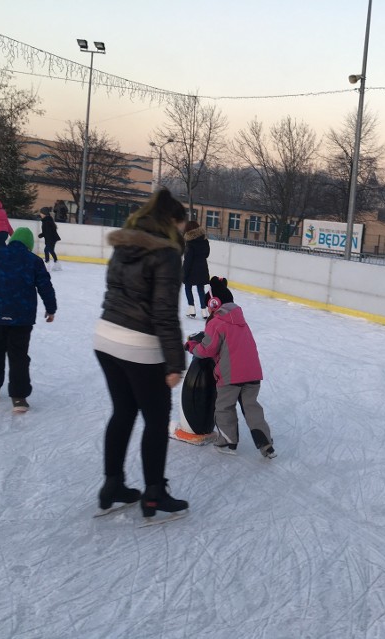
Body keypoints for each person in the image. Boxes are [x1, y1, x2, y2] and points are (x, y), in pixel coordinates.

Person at [93, 188, 189, 520]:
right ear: (170, 222)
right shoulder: (166, 254)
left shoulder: (124, 246)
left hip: (105, 338)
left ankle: (113, 484)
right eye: (181, 226)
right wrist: (176, 361)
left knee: (123, 411)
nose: (182, 233)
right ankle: (154, 493)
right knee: (156, 418)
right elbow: (164, 312)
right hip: (138, 346)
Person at [0, 227, 57, 413]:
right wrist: (51, 309)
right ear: (29, 245)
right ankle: (19, 398)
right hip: (22, 318)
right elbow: (46, 286)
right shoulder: (34, 261)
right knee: (19, 355)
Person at [185, 276, 276, 459]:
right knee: (252, 408)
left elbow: (207, 349)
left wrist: (192, 347)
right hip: (252, 373)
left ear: (214, 303)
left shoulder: (216, 322)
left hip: (230, 375)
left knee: (224, 407)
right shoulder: (241, 321)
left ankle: (227, 442)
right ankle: (266, 445)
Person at [182, 220, 211, 318]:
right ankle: (204, 311)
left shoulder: (190, 243)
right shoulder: (205, 240)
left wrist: (183, 272)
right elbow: (206, 254)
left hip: (191, 270)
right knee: (200, 289)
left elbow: (188, 260)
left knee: (188, 287)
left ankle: (192, 309)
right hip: (202, 268)